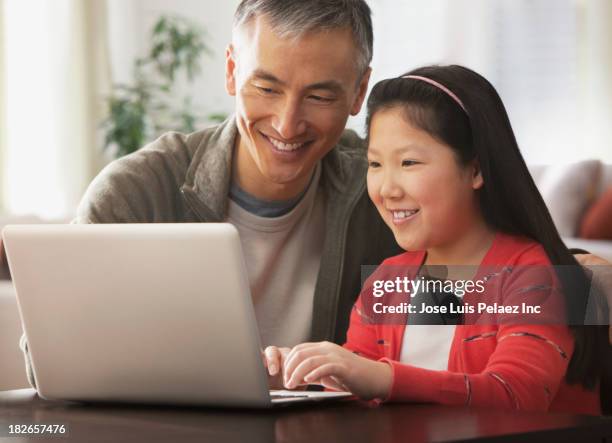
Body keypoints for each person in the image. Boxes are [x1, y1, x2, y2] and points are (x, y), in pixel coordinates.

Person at [17, 0, 611, 389]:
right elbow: (49, 358)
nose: (287, 122)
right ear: (230, 72)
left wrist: (579, 283)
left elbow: (477, 292)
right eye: (265, 86)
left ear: (359, 91)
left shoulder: (384, 194)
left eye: (321, 96)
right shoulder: (136, 194)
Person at [272, 65, 609, 414]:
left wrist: (381, 378)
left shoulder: (534, 275)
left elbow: (515, 395)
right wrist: (301, 376)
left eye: (409, 162)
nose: (387, 189)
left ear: (475, 170)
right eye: (375, 165)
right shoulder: (387, 281)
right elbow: (357, 387)